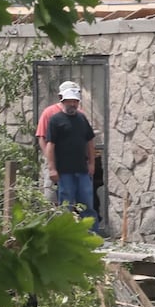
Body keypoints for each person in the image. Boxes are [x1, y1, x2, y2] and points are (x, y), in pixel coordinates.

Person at [43, 81, 98, 229]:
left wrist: (92, 164)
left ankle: (91, 235)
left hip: (82, 170)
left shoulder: (82, 119)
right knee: (66, 206)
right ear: (63, 100)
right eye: (69, 101)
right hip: (64, 172)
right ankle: (66, 235)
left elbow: (90, 141)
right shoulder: (55, 120)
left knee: (87, 205)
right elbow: (50, 145)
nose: (73, 104)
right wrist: (52, 168)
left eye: (75, 101)